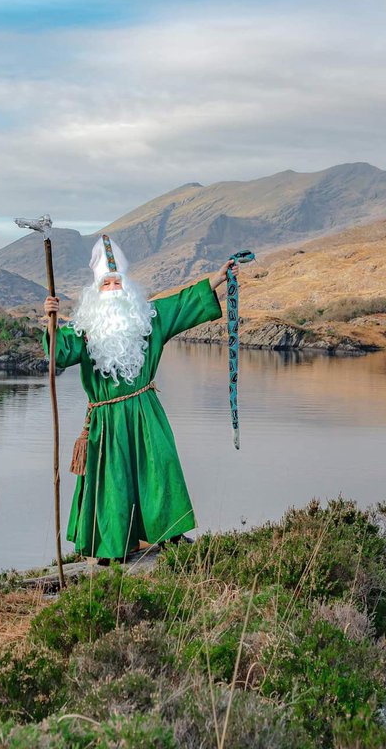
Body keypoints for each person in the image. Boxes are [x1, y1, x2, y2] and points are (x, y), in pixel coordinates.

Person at [43, 234, 237, 565]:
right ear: (96, 288)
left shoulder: (147, 318)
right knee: (113, 482)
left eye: (118, 281)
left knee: (160, 467)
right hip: (107, 421)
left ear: (127, 283)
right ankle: (112, 547)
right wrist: (50, 321)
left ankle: (171, 534)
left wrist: (218, 279)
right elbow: (58, 355)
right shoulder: (85, 329)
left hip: (145, 410)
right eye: (107, 283)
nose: (114, 289)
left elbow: (182, 304)